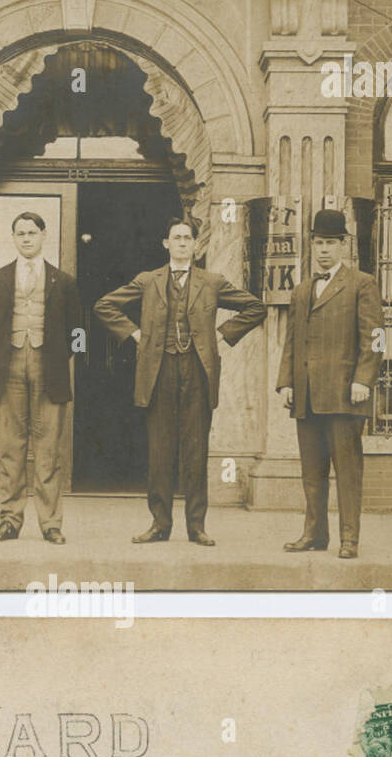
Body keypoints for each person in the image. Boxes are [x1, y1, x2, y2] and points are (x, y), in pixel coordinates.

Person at [94, 217, 265, 546]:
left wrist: (222, 334)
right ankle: (160, 524)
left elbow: (255, 307)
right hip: (158, 373)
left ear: (196, 245)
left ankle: (196, 526)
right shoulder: (148, 281)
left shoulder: (212, 281)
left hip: (198, 372)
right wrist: (135, 333)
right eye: (177, 238)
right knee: (160, 452)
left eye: (188, 238)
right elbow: (105, 305)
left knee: (195, 452)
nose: (183, 243)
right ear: (166, 244)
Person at [277, 208, 384, 560]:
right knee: (312, 471)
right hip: (307, 395)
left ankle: (349, 538)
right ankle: (314, 534)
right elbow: (292, 339)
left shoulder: (362, 283)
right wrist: (286, 383)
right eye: (319, 243)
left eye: (330, 243)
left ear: (344, 245)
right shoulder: (303, 289)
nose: (323, 250)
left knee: (348, 471)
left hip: (345, 394)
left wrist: (363, 381)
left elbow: (376, 338)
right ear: (312, 245)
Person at [0, 212, 82, 545]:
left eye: (32, 232)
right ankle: (9, 520)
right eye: (20, 233)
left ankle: (51, 523)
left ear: (43, 235)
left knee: (48, 451)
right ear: (13, 238)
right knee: (11, 449)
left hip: (49, 368)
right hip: (7, 368)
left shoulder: (64, 281)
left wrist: (63, 358)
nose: (26, 238)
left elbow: (79, 329)